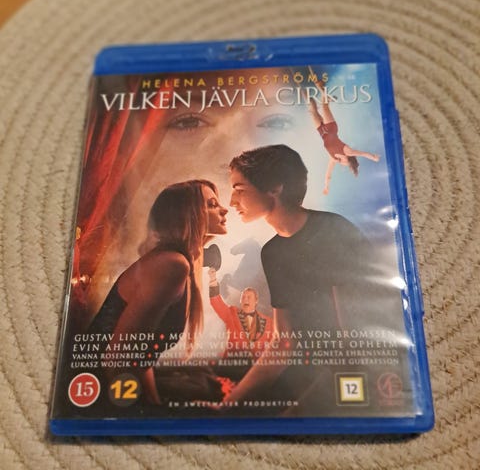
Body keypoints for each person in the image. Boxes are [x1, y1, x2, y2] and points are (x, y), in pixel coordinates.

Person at [226, 144, 393, 414]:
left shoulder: (332, 230)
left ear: (275, 188)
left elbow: (351, 339)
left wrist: (298, 411)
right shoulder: (272, 252)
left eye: (239, 190)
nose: (232, 202)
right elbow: (283, 342)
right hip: (320, 367)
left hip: (368, 370)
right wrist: (227, 406)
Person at [88, 179, 228, 405]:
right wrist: (136, 412)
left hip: (118, 379)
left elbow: (141, 357)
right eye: (212, 204)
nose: (224, 209)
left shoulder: (182, 262)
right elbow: (118, 357)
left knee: (205, 384)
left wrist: (155, 404)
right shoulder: (171, 265)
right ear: (186, 215)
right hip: (99, 385)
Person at [307, 80, 380, 195]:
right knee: (324, 106)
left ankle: (319, 97)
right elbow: (362, 153)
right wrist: (373, 157)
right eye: (347, 165)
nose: (343, 165)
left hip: (321, 132)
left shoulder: (333, 159)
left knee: (313, 112)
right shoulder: (348, 152)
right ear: (348, 161)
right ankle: (321, 87)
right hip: (331, 128)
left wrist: (326, 187)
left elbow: (328, 174)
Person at [208, 267, 273, 379]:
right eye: (243, 297)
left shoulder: (270, 323)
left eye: (249, 297)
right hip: (229, 368)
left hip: (253, 373)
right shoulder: (232, 313)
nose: (245, 300)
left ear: (256, 301)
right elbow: (216, 302)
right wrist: (213, 279)